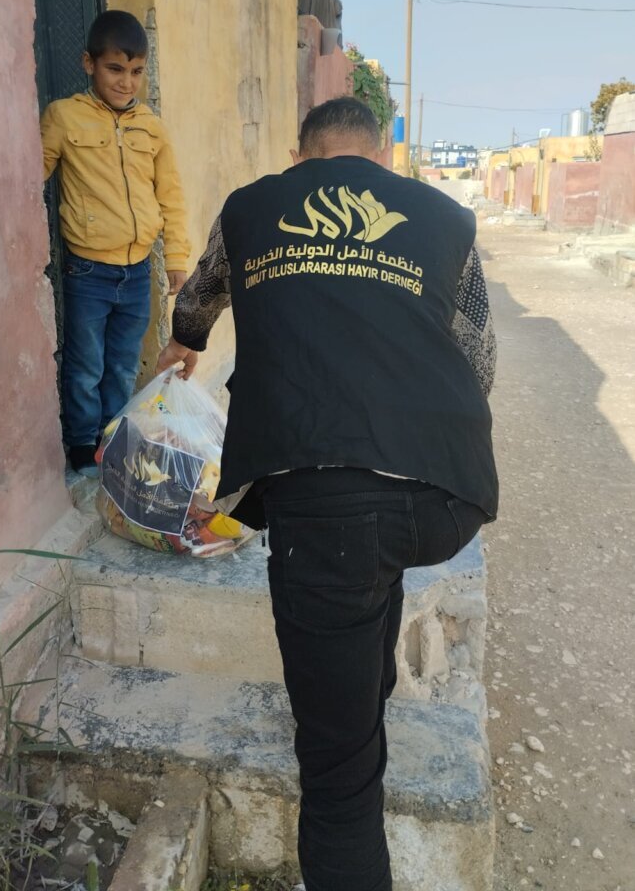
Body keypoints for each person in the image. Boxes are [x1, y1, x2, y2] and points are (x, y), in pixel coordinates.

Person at [156, 97, 498, 891]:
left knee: (338, 787)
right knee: (368, 572)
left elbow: (202, 292)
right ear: (379, 158)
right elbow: (477, 358)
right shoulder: (444, 217)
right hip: (444, 497)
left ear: (299, 155)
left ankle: (347, 728)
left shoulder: (253, 207)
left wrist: (186, 341)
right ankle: (357, 694)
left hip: (327, 503)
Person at [41, 10, 190, 476]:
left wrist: (179, 262)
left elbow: (171, 196)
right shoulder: (64, 118)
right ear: (89, 64)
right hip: (87, 270)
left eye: (137, 72)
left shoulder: (152, 127)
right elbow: (30, 178)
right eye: (115, 69)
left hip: (139, 269)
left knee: (122, 366)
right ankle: (83, 446)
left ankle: (113, 437)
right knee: (86, 365)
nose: (127, 83)